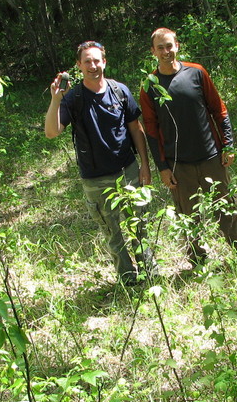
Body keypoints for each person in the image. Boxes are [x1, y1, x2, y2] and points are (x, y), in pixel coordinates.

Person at [139, 27, 237, 266]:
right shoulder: (149, 86)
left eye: (169, 46)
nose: (165, 51)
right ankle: (198, 261)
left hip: (211, 156)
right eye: (160, 47)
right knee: (187, 215)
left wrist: (227, 145)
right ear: (153, 51)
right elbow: (151, 130)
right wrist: (162, 167)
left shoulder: (196, 73)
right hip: (178, 164)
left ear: (177, 46)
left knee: (226, 207)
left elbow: (218, 110)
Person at [45, 40, 157, 285]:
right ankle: (128, 280)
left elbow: (136, 129)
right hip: (95, 178)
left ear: (104, 62)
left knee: (139, 226)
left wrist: (144, 165)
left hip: (127, 170)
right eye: (87, 62)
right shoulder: (72, 98)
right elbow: (52, 132)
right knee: (113, 233)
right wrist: (56, 99)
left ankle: (150, 275)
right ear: (79, 65)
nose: (93, 66)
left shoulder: (119, 91)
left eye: (97, 60)